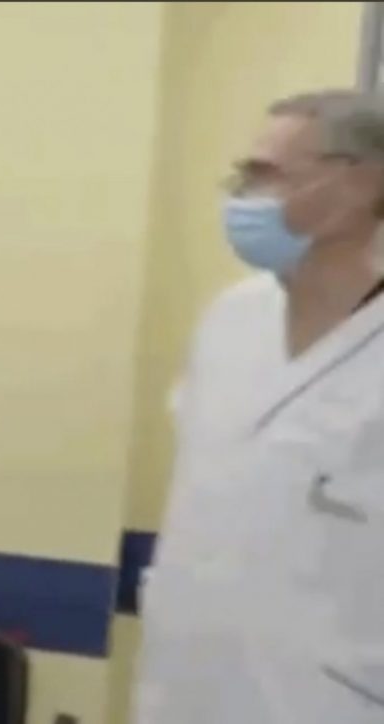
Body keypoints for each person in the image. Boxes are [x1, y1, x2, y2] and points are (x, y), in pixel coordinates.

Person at [135, 89, 384, 723]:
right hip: (183, 685)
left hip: (328, 700)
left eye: (267, 175)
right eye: (242, 176)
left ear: (362, 184)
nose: (243, 197)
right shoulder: (233, 318)